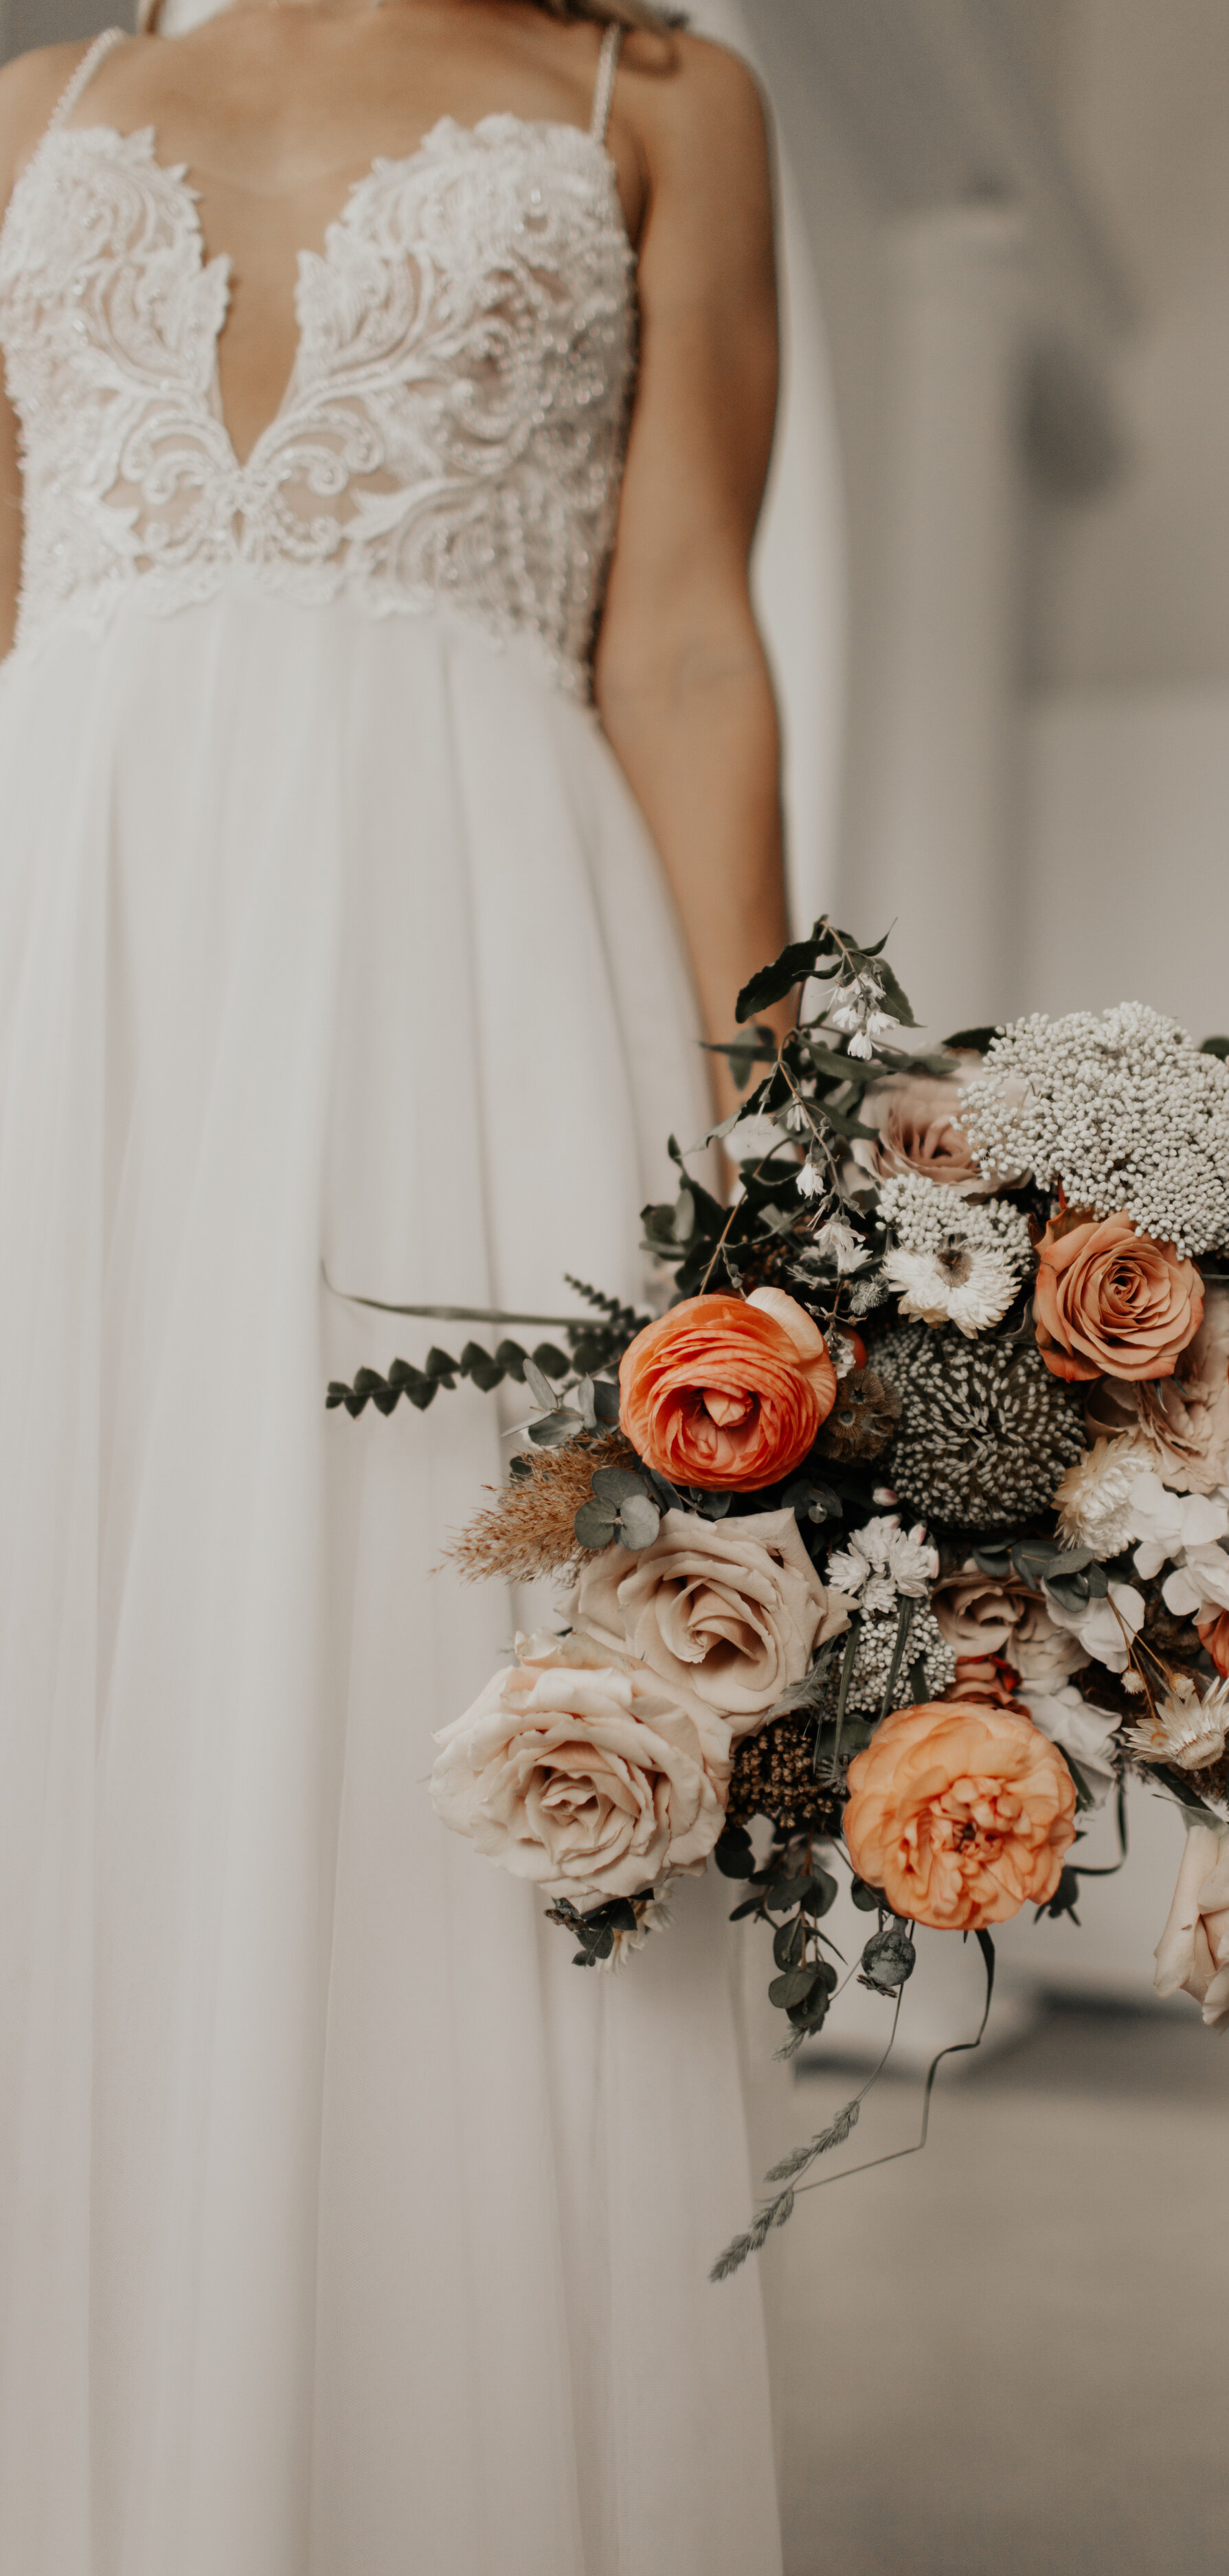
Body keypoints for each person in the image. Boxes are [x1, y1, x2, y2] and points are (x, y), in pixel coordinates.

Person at [0, 3, 791, 2568]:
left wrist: (776, 1184)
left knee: (417, 1738)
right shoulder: (33, 108)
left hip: (456, 990)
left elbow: (678, 635)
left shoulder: (653, 99)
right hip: (72, 972)